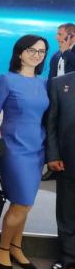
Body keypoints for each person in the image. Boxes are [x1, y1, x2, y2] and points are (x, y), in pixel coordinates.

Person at [0, 35, 49, 269]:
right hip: (14, 149)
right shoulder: (7, 80)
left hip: (38, 149)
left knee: (26, 204)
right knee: (21, 203)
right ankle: (2, 248)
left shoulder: (44, 83)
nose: (37, 55)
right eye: (32, 50)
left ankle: (16, 247)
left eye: (42, 51)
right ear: (20, 53)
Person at [46, 70, 75, 269]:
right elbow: (51, 123)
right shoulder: (59, 83)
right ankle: (67, 255)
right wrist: (53, 155)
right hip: (67, 159)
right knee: (66, 209)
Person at [43, 23, 75, 181]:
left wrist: (67, 52)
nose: (57, 38)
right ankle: (52, 164)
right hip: (56, 100)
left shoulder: (68, 54)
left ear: (71, 36)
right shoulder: (56, 56)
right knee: (53, 129)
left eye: (60, 34)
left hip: (71, 102)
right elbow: (51, 78)